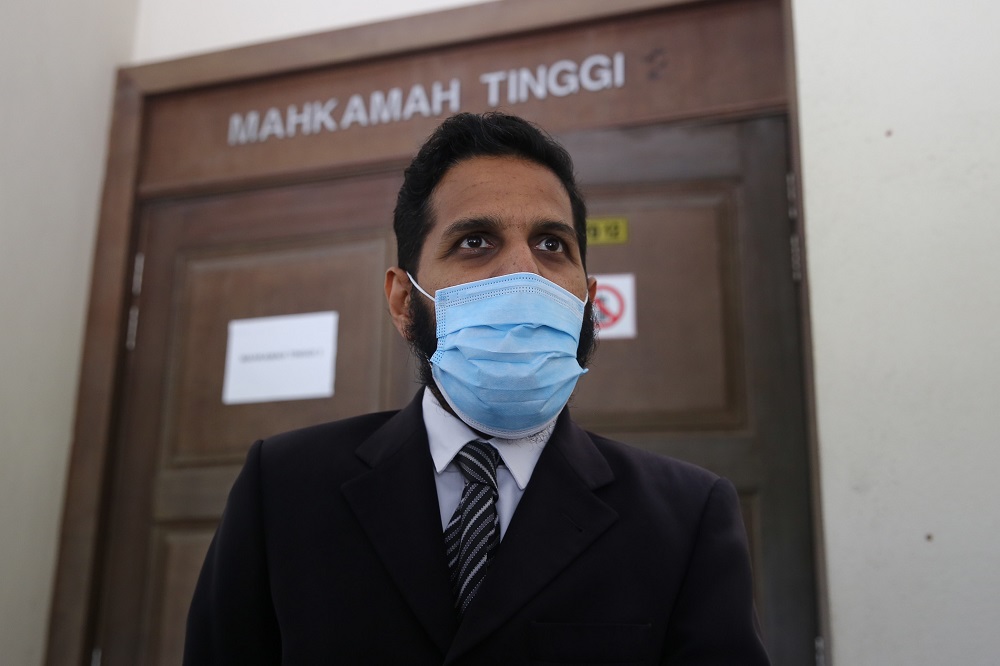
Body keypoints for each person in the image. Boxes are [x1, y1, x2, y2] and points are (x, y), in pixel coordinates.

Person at [184, 111, 770, 665]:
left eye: (551, 244)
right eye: (475, 241)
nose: (523, 271)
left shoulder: (685, 518)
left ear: (586, 297)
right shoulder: (283, 487)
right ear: (402, 298)